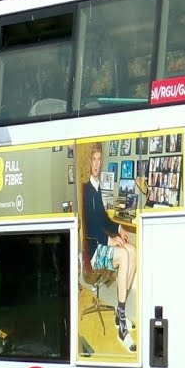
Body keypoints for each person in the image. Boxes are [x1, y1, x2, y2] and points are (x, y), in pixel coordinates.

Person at [82, 142, 137, 347]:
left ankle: (119, 313)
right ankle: (121, 324)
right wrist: (110, 240)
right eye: (94, 159)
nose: (97, 163)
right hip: (94, 252)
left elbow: (104, 220)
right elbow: (90, 226)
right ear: (90, 162)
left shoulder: (97, 188)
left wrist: (119, 229)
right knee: (124, 255)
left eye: (99, 159)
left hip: (101, 245)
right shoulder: (87, 190)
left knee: (132, 251)